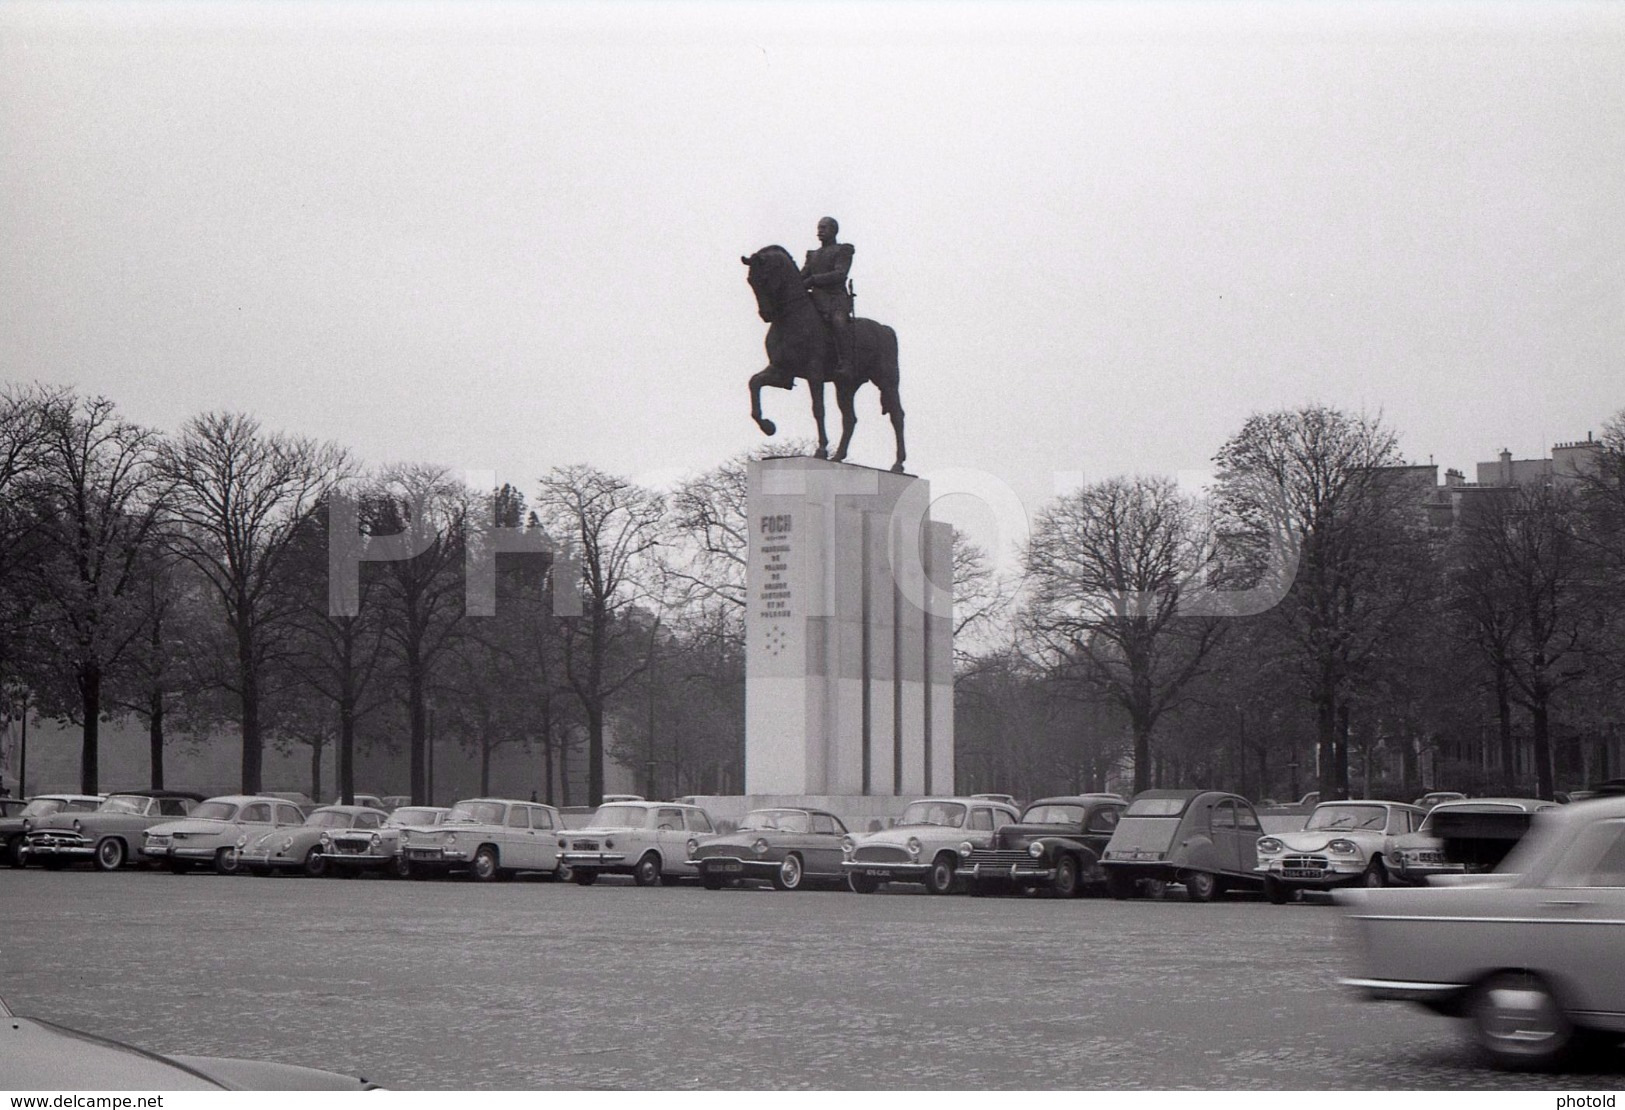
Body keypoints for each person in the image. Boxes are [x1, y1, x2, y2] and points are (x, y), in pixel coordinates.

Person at [800, 216, 855, 375]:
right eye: (818, 228)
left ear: (834, 230)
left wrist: (813, 280)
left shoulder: (842, 250)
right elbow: (802, 276)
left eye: (824, 228)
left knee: (838, 322)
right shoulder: (813, 255)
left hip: (835, 299)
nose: (820, 231)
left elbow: (840, 274)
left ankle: (846, 362)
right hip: (815, 300)